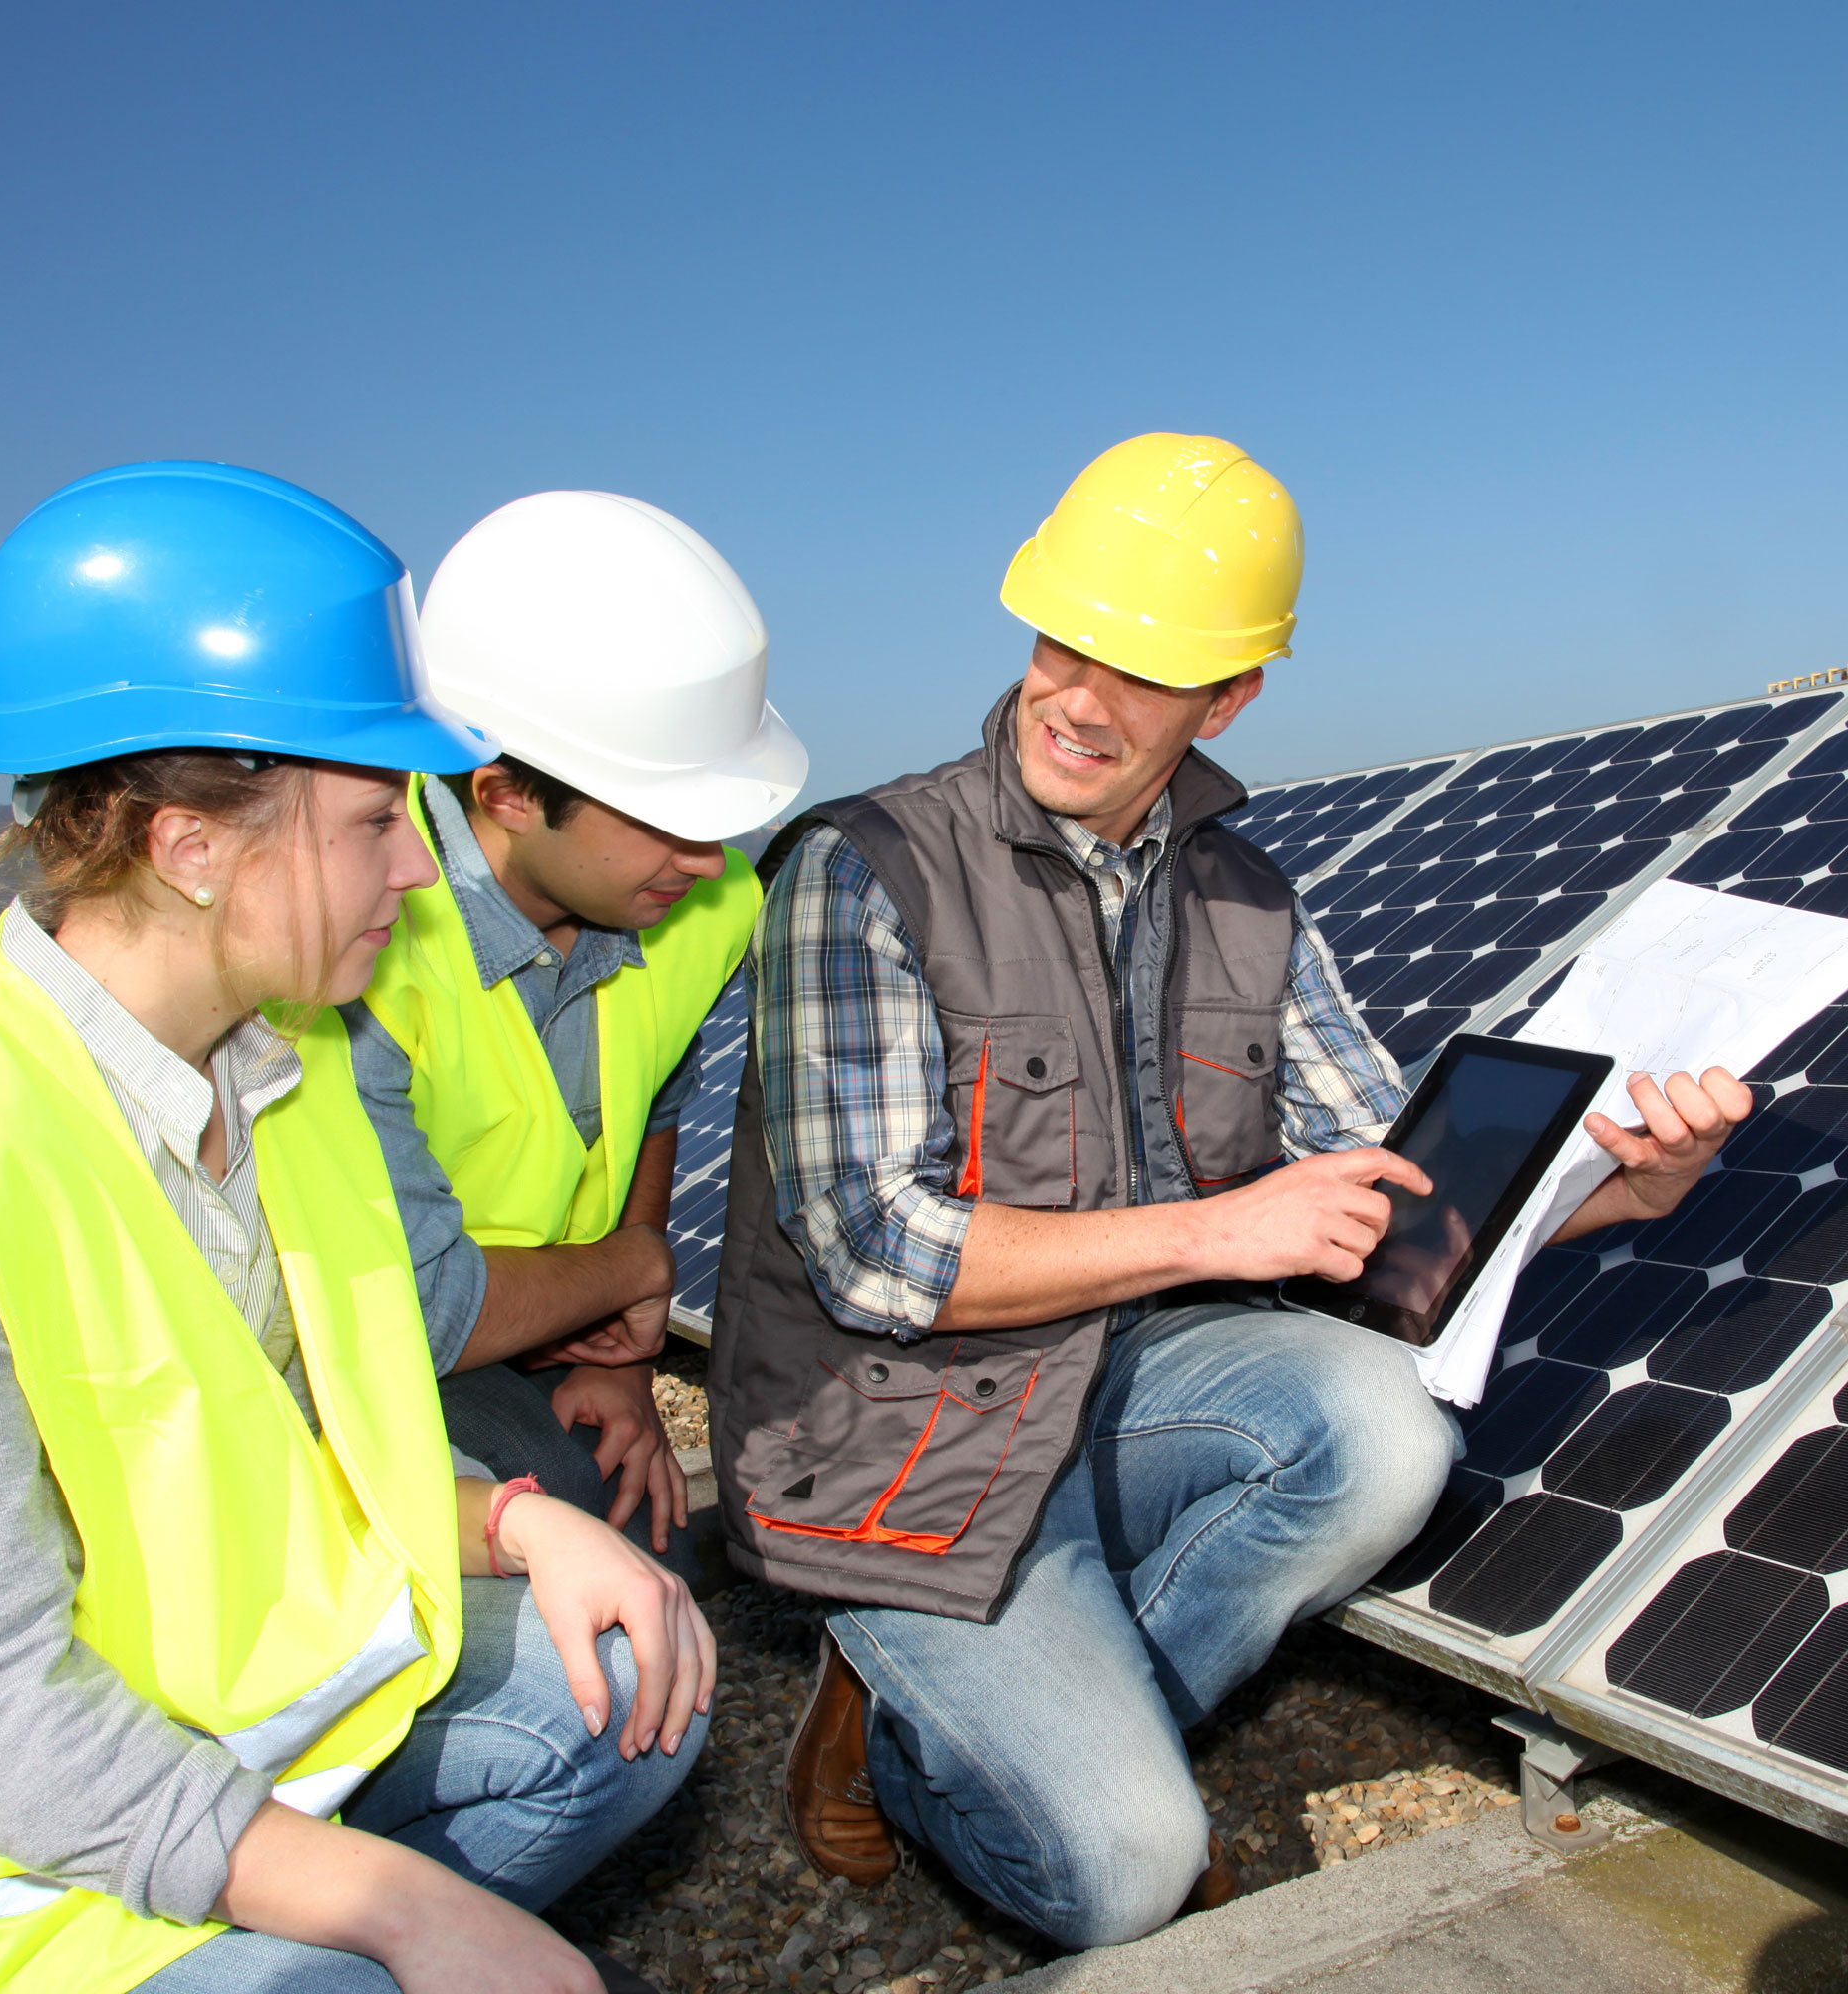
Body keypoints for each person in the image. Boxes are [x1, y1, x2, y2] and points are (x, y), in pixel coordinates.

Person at [707, 433, 1752, 1948]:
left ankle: (1022, 1710)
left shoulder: (1248, 896)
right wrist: (1215, 1229)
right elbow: (873, 1256)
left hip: (1128, 1373)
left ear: (1231, 696)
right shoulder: (865, 870)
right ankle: (915, 1724)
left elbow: (1385, 1186)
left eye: (1144, 667)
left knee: (1387, 1434)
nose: (1080, 695)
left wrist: (1620, 1192)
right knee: (1129, 1877)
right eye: (1068, 641)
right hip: (901, 1425)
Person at [0, 462, 713, 1994]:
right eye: (378, 818)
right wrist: (397, 1909)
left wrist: (517, 1519)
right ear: (190, 847)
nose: (416, 870)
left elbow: (329, 1451)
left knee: (630, 1679)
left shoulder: (288, 1075)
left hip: (217, 1744)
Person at [342, 491, 806, 1557]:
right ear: (504, 792)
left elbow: (653, 1099)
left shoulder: (702, 905)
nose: (707, 862)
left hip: (546, 1324)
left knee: (640, 1508)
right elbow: (415, 1309)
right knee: (557, 1507)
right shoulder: (353, 943)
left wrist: (618, 1356)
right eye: (665, 821)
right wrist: (639, 1268)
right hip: (350, 1353)